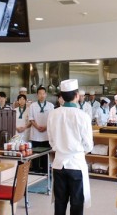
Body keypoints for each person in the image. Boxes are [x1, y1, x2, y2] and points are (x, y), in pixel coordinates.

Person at [47, 79, 93, 215]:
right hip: (76, 164)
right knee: (77, 202)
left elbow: (51, 141)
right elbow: (89, 145)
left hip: (59, 163)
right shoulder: (82, 116)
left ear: (61, 95)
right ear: (77, 95)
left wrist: (61, 148)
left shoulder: (53, 114)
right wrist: (79, 151)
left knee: (60, 202)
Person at [29, 86, 54, 173]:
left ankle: (45, 170)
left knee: (45, 154)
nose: (42, 95)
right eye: (40, 94)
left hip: (46, 134)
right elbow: (31, 118)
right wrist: (37, 126)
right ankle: (35, 170)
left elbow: (52, 119)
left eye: (43, 93)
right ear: (37, 95)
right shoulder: (32, 105)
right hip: (35, 134)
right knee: (35, 153)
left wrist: (45, 127)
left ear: (46, 94)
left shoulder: (51, 105)